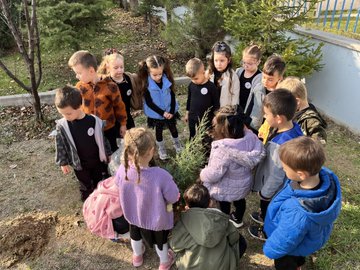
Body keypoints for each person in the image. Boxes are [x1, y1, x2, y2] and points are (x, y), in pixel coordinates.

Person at [263, 136, 342, 270]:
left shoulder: (298, 211)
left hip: (289, 250)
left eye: (285, 168)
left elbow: (285, 239)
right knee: (299, 254)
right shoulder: (326, 181)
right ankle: (298, 264)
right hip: (306, 240)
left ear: (301, 174)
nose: (283, 170)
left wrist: (270, 250)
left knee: (287, 264)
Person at [116, 127, 179, 269]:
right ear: (151, 151)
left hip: (133, 215)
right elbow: (173, 197)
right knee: (161, 242)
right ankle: (164, 262)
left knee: (135, 236)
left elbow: (117, 184)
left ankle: (137, 256)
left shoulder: (122, 169)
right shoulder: (161, 175)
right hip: (156, 219)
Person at [249, 89, 303, 239]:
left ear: (278, 118)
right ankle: (264, 216)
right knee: (269, 207)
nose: (264, 117)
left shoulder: (280, 146)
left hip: (274, 190)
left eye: (266, 114)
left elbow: (276, 175)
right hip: (282, 188)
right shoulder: (293, 128)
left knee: (270, 209)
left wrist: (265, 192)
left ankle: (266, 231)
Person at [200, 106, 265, 227]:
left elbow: (214, 175)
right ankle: (238, 219)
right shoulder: (251, 137)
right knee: (240, 201)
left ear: (222, 129)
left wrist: (203, 173)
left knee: (224, 204)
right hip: (243, 183)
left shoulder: (222, 149)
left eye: (215, 125)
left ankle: (224, 221)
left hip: (225, 187)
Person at [169, 183, 247, 270]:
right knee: (242, 241)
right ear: (210, 202)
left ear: (187, 206)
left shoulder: (182, 221)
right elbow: (235, 237)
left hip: (190, 267)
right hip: (221, 267)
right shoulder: (221, 218)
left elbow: (175, 246)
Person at [54, 86, 111, 201]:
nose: (65, 117)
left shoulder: (93, 121)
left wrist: (108, 153)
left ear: (79, 106)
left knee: (100, 180)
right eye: (62, 114)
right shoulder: (63, 126)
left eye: (68, 113)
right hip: (79, 164)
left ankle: (101, 199)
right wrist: (63, 162)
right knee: (85, 184)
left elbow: (102, 139)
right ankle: (88, 201)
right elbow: (60, 144)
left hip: (96, 161)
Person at [68, 50, 127, 152]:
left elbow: (119, 106)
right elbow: (76, 107)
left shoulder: (110, 86)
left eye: (79, 73)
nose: (77, 76)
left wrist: (123, 124)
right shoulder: (79, 87)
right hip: (89, 129)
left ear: (91, 70)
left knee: (112, 152)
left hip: (108, 129)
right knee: (95, 152)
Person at [138, 55, 182, 160]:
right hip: (157, 114)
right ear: (148, 71)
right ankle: (162, 148)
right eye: (155, 75)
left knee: (173, 128)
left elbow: (172, 95)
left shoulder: (166, 79)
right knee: (159, 131)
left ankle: (177, 144)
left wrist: (171, 111)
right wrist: (162, 113)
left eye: (160, 74)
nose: (158, 77)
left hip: (169, 110)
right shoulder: (146, 84)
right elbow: (149, 103)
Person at [277, 76, 327, 144]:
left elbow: (319, 144)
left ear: (297, 102)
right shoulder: (295, 112)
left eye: (285, 103)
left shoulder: (311, 121)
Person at [244, 54, 286, 133]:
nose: (265, 81)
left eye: (270, 79)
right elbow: (249, 106)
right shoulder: (258, 88)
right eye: (263, 77)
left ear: (280, 78)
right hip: (253, 127)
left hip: (269, 131)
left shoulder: (282, 95)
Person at [97, 49, 136, 130]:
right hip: (114, 120)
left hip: (127, 116)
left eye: (121, 67)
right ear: (108, 67)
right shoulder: (106, 82)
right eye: (116, 68)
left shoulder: (128, 78)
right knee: (119, 141)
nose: (119, 70)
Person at [83, 176, 130, 242]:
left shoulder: (111, 182)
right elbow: (113, 212)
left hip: (90, 213)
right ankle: (118, 235)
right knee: (128, 220)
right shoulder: (118, 199)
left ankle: (115, 234)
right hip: (101, 222)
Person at [184, 57, 220, 139]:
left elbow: (216, 103)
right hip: (192, 116)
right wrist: (187, 113)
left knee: (206, 137)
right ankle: (192, 148)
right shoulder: (191, 85)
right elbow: (189, 100)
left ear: (203, 73)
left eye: (196, 78)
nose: (194, 81)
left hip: (206, 118)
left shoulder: (211, 87)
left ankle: (206, 149)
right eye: (191, 79)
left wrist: (216, 116)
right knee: (192, 135)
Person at [206, 41, 240, 107]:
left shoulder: (233, 76)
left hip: (225, 112)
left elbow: (235, 99)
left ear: (229, 60)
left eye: (222, 60)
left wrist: (232, 114)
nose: (218, 64)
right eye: (216, 60)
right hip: (210, 111)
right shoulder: (209, 73)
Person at [236, 44, 262, 111]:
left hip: (250, 112)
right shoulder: (239, 71)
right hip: (236, 108)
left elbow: (258, 101)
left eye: (250, 64)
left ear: (258, 62)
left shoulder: (260, 77)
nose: (246, 66)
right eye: (244, 62)